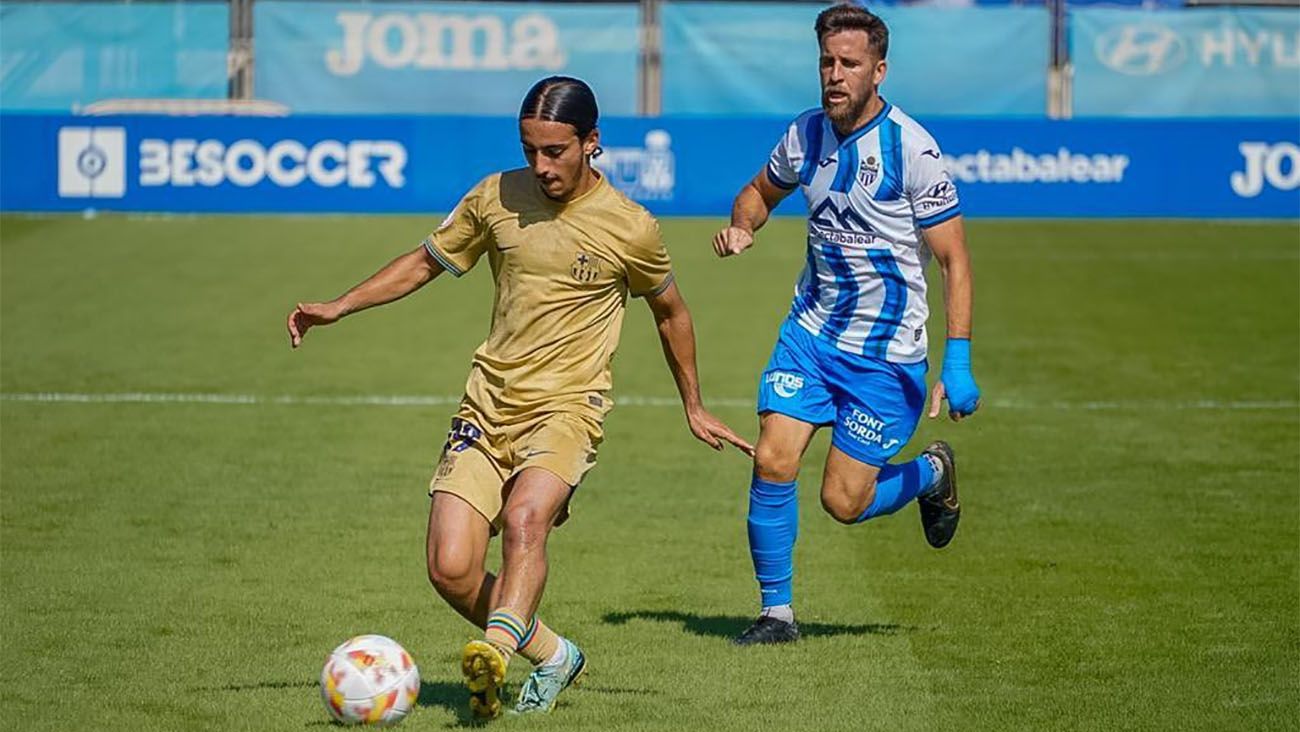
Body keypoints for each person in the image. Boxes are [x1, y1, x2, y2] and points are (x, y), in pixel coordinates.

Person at [288, 76, 752, 716]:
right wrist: (341, 306)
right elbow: (426, 260)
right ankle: (556, 655)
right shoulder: (494, 196)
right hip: (488, 405)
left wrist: (693, 404)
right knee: (450, 568)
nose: (541, 165)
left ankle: (496, 657)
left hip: (568, 409)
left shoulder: (631, 227)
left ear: (591, 143)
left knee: (525, 520)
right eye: (530, 149)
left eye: (555, 151)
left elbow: (671, 312)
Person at [711, 4, 980, 646]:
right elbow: (757, 192)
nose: (835, 75)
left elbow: (953, 260)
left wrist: (958, 360)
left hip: (885, 358)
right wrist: (744, 225)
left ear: (878, 71)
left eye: (849, 64)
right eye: (827, 63)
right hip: (811, 333)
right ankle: (777, 614)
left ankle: (931, 474)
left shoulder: (912, 150)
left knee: (844, 501)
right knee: (773, 459)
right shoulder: (804, 135)